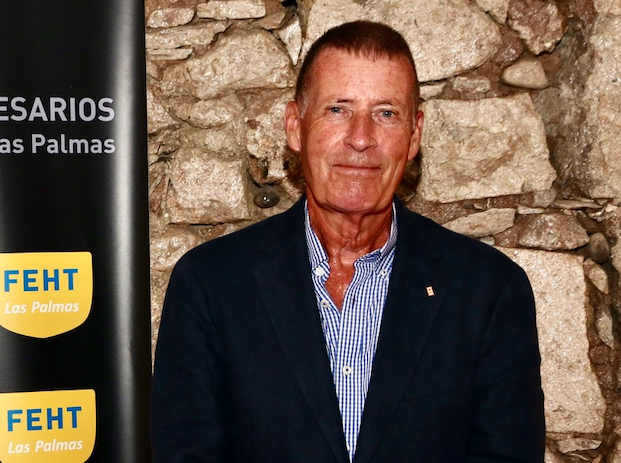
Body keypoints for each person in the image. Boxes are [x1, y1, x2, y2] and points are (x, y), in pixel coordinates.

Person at [151, 20, 545, 463]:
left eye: (386, 113)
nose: (361, 138)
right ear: (295, 126)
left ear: (414, 136)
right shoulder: (211, 285)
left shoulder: (488, 291)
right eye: (338, 109)